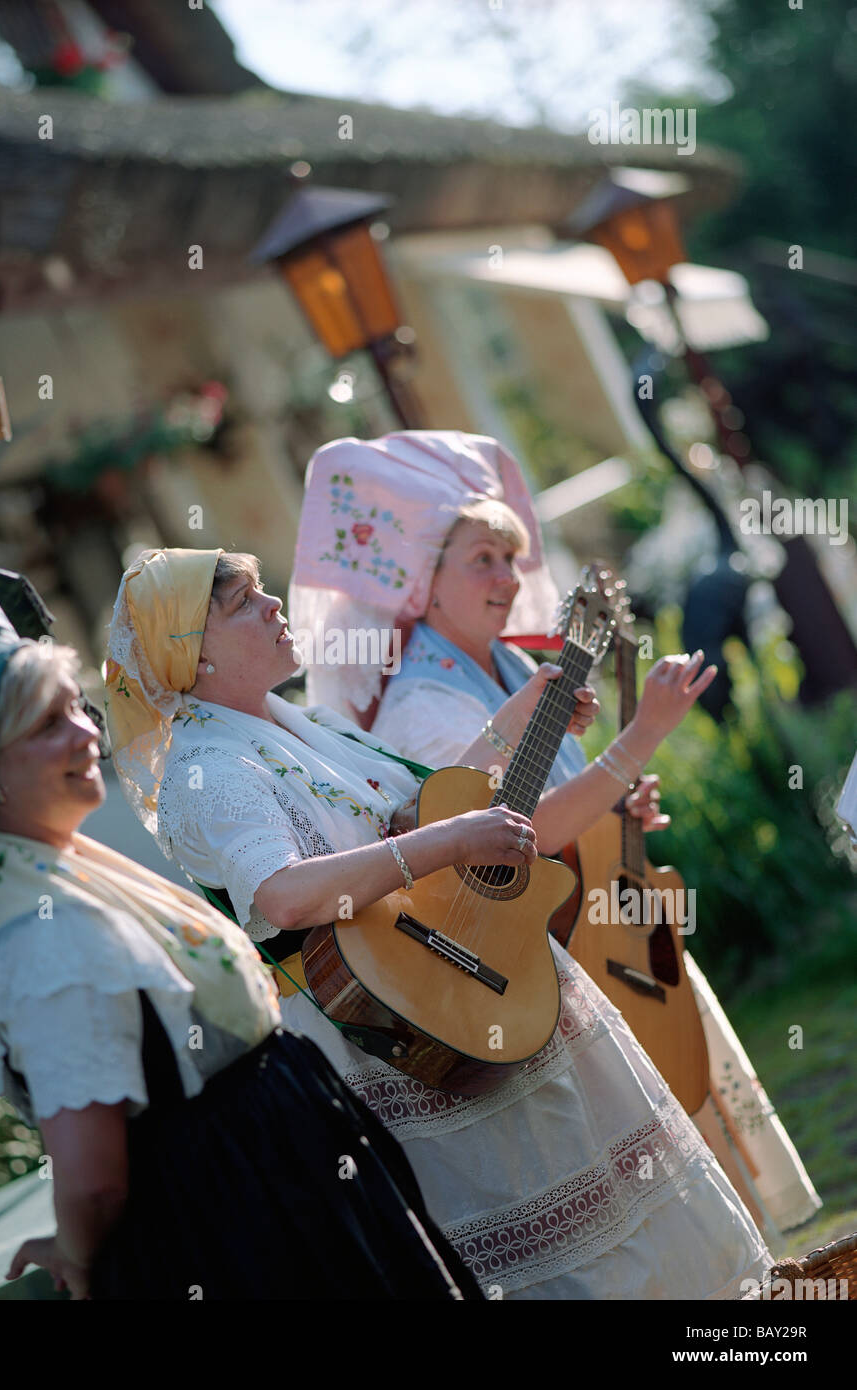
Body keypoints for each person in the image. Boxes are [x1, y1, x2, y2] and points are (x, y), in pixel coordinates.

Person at [105, 544, 772, 1299]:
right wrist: (448, 843)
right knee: (551, 1246)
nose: (273, 605)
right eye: (243, 603)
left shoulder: (307, 724)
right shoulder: (210, 769)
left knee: (619, 1203)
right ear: (192, 656)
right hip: (406, 1021)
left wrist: (511, 725)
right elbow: (285, 895)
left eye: (265, 590)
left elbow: (406, 817)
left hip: (464, 976)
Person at [0, 560, 482, 1302]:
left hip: (279, 1187)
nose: (86, 732)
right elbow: (93, 1176)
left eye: (75, 708)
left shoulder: (61, 877)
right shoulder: (35, 933)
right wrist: (75, 1248)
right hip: (240, 1225)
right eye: (48, 726)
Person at [289, 428, 822, 1240]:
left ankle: (763, 1297)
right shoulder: (420, 709)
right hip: (550, 953)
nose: (508, 577)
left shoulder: (508, 667)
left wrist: (616, 816)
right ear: (419, 584)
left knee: (700, 1112)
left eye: (510, 557)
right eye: (481, 560)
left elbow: (566, 812)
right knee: (663, 1160)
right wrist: (638, 737)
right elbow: (514, 839)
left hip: (607, 919)